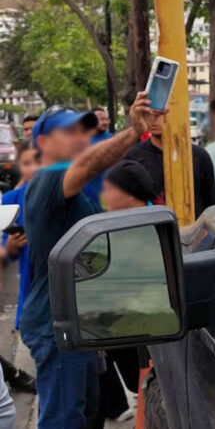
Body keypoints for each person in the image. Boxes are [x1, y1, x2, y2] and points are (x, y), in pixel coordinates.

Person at [22, 93, 163, 428]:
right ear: (42, 142)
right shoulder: (49, 179)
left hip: (78, 325)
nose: (78, 136)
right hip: (56, 328)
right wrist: (132, 133)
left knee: (88, 413)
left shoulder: (73, 192)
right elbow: (88, 164)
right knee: (64, 419)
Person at [95, 160, 158, 426]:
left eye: (109, 188)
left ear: (129, 193)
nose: (103, 195)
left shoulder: (152, 228)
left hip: (149, 337)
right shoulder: (113, 225)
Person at [124, 114, 215, 217]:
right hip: (152, 229)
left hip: (193, 229)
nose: (154, 120)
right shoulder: (134, 156)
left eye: (161, 115)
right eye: (149, 114)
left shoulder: (198, 156)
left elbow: (211, 204)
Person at [0, 144, 38, 395]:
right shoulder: (12, 200)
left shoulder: (71, 198)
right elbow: (4, 253)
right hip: (34, 303)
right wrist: (11, 247)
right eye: (27, 163)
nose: (34, 169)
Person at [83, 107, 113, 209]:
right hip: (88, 196)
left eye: (106, 119)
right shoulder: (81, 142)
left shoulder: (113, 139)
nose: (104, 122)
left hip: (110, 192)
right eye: (100, 119)